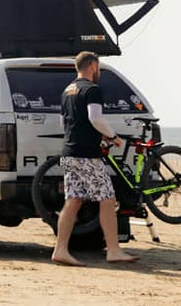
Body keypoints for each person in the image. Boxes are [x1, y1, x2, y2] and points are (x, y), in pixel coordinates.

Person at [50, 52, 140, 266]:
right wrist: (112, 136)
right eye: (98, 67)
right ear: (92, 65)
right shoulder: (92, 89)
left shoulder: (67, 91)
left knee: (73, 200)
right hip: (86, 155)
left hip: (70, 153)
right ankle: (114, 250)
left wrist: (95, 134)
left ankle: (60, 250)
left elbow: (64, 122)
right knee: (107, 199)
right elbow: (95, 117)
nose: (98, 71)